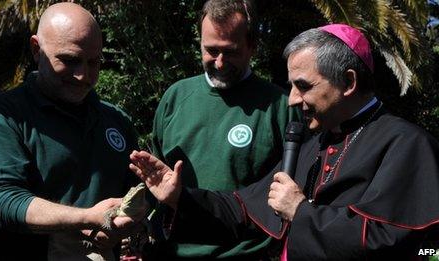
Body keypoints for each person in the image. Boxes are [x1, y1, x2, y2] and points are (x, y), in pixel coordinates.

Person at [130, 24, 439, 260]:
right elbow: (246, 208)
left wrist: (301, 212)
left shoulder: (408, 144)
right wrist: (180, 197)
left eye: (303, 87)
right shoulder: (315, 143)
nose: (291, 100)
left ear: (348, 82)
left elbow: (397, 241)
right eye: (291, 86)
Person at [0, 3, 142, 260]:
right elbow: (0, 201)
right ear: (36, 50)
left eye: (94, 62)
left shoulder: (116, 120)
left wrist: (129, 219)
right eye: (69, 60)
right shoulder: (0, 118)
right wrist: (86, 219)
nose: (82, 75)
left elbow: (138, 194)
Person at [149, 0, 299, 259]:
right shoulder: (175, 97)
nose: (219, 62)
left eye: (230, 52)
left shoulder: (281, 106)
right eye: (211, 50)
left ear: (252, 46)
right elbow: (155, 176)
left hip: (246, 252)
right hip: (173, 251)